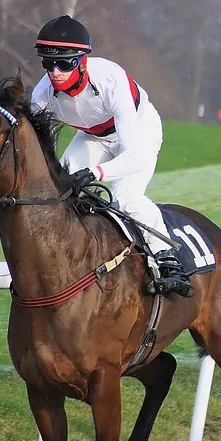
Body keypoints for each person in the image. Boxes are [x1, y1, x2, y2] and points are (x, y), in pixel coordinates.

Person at [31, 15, 194, 298]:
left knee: (125, 196)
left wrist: (96, 173)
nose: (55, 72)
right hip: (93, 136)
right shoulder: (41, 97)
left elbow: (132, 156)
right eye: (48, 63)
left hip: (138, 130)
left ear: (82, 61)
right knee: (59, 192)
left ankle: (169, 261)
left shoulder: (110, 79)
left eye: (64, 63)